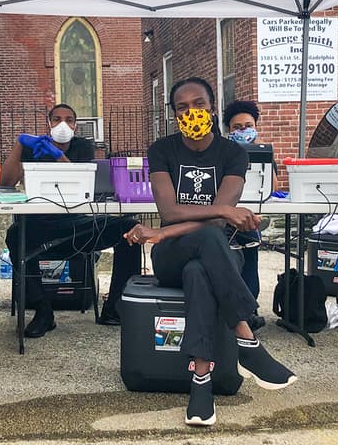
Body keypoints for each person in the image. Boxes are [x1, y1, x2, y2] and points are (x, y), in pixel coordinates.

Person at [124, 78, 296, 427]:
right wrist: (212, 215)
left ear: (212, 107)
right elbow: (171, 210)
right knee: (207, 244)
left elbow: (218, 221)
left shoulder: (232, 153)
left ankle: (200, 383)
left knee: (200, 271)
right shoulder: (162, 150)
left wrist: (159, 232)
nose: (192, 112)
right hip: (171, 254)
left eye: (198, 104)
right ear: (174, 115)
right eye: (182, 107)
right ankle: (247, 339)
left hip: (212, 252)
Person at [1, 103, 141, 337]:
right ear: (49, 123)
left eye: (68, 119)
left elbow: (81, 181)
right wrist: (19, 145)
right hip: (41, 226)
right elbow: (5, 183)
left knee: (131, 228)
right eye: (56, 119)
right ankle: (43, 311)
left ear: (76, 125)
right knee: (15, 235)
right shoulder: (33, 147)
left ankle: (115, 308)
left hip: (77, 226)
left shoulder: (82, 147)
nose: (62, 124)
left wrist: (57, 155)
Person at [223, 100, 276, 310]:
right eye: (237, 127)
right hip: (226, 219)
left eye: (248, 126)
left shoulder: (262, 152)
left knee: (251, 258)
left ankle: (249, 309)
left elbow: (272, 186)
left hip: (252, 217)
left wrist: (259, 151)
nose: (243, 130)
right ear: (228, 130)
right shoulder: (223, 154)